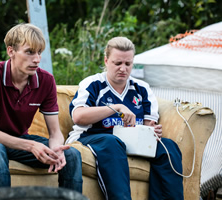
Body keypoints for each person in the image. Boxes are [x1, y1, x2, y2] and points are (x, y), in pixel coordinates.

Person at [0, 23, 82, 192]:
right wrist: (31, 146)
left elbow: (55, 133)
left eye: (39, 52)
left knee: (71, 155)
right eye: (29, 52)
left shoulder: (46, 81)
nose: (37, 59)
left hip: (16, 139)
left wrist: (56, 148)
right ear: (11, 51)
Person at [65, 36, 183, 200]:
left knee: (169, 147)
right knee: (112, 142)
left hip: (132, 142)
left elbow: (149, 125)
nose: (123, 68)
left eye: (128, 64)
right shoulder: (93, 84)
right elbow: (78, 117)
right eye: (117, 63)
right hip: (92, 137)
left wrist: (152, 131)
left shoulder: (141, 88)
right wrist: (115, 108)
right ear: (106, 61)